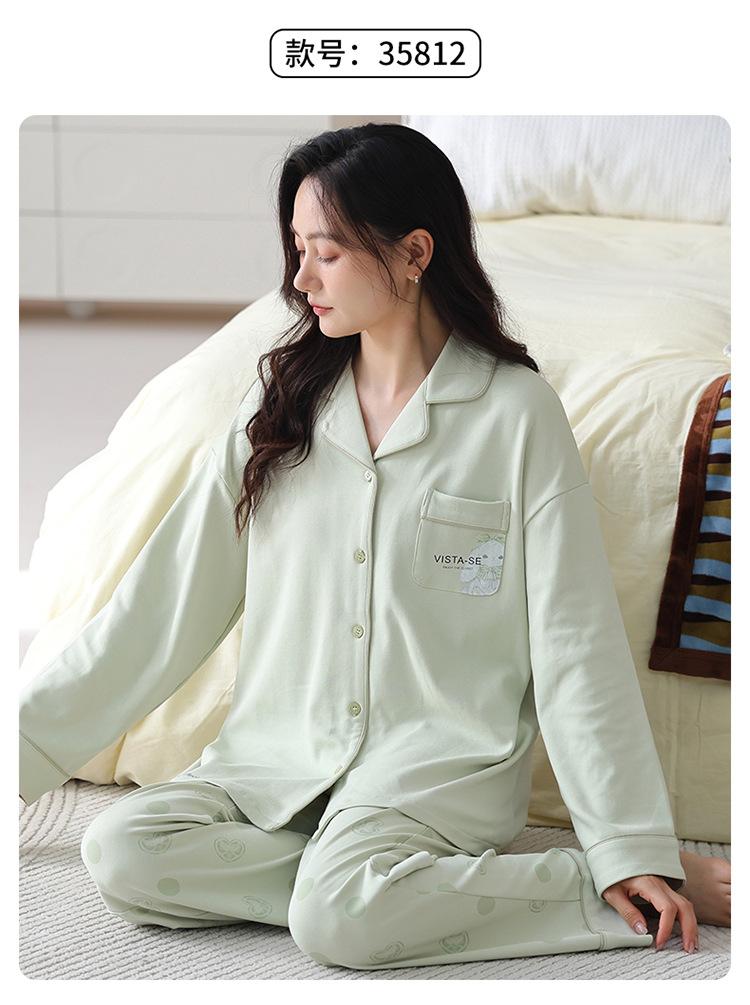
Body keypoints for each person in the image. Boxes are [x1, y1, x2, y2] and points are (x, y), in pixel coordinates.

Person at [19, 123, 730, 970]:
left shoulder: (516, 416)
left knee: (340, 923)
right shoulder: (278, 412)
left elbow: (575, 643)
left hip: (429, 778)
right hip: (276, 764)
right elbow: (158, 609)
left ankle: (593, 885)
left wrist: (626, 842)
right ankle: (370, 885)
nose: (300, 279)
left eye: (326, 252)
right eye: (297, 250)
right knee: (121, 851)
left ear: (415, 253)